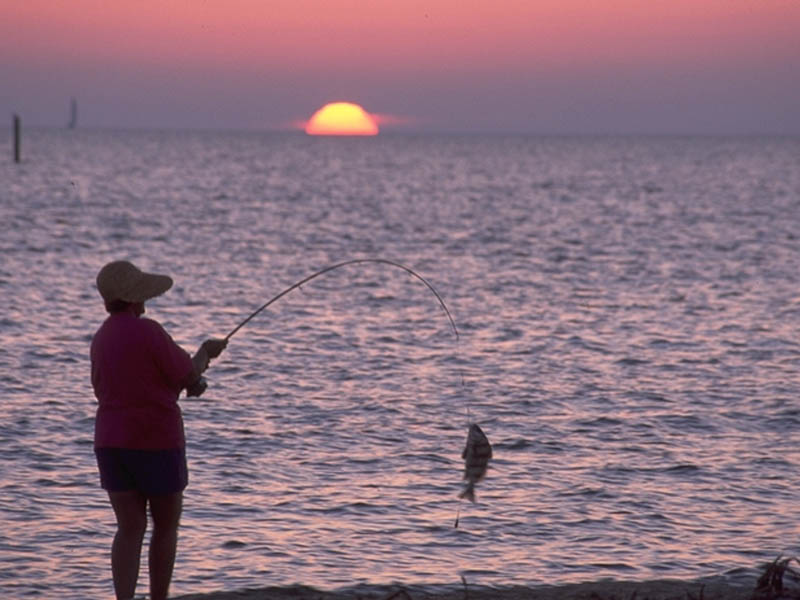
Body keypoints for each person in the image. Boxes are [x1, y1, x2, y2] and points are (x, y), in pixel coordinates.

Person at [91, 260, 227, 600]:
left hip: (111, 443)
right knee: (165, 527)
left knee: (129, 528)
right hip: (156, 441)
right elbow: (187, 376)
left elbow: (104, 390)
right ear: (136, 298)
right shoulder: (149, 331)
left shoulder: (101, 338)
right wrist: (205, 353)